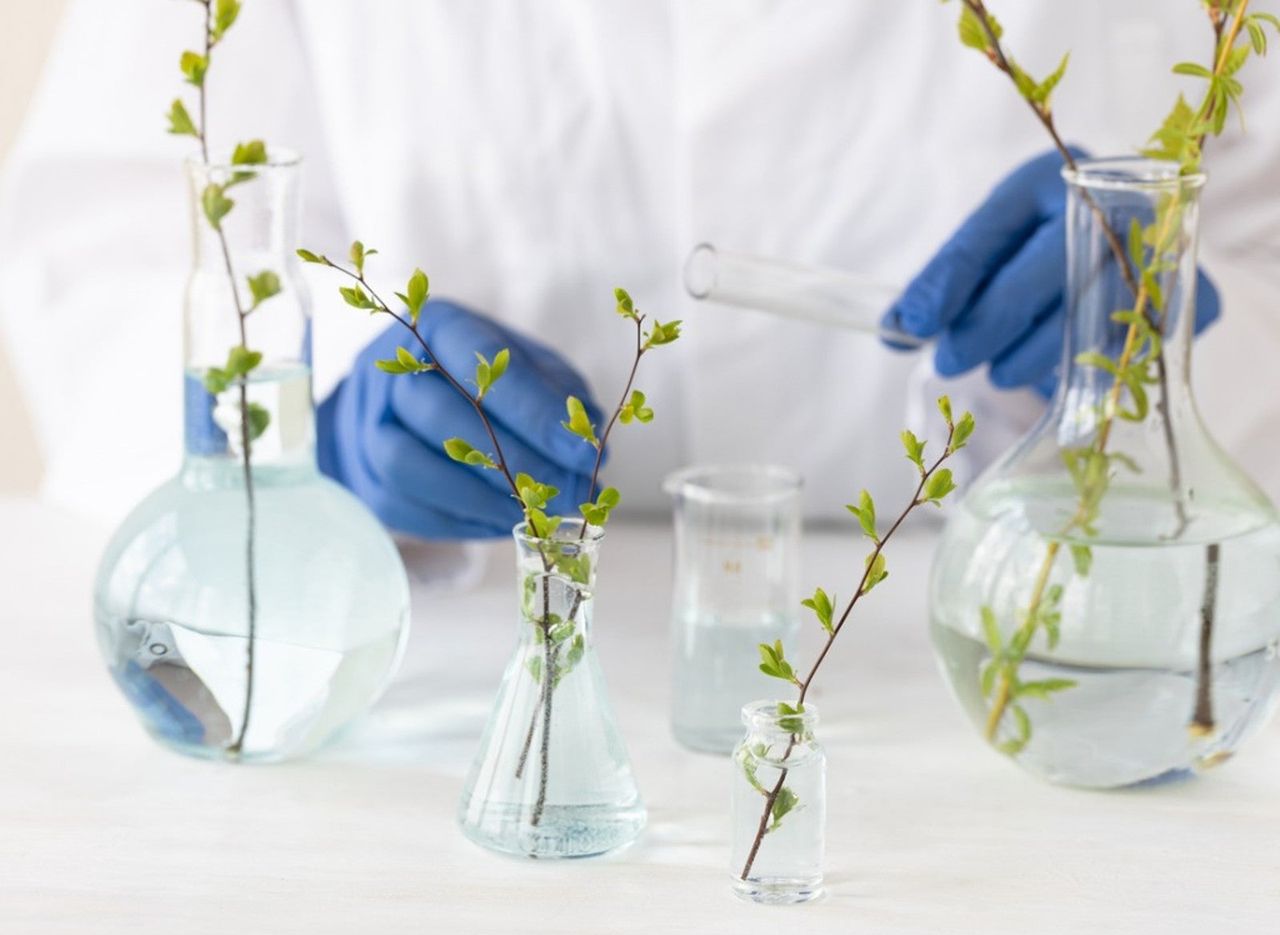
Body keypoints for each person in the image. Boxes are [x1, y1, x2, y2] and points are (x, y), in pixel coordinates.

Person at [2, 0, 1277, 537]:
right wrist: (306, 433)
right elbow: (113, 237)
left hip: (1004, 662)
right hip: (417, 680)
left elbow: (1257, 230)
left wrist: (1159, 368)